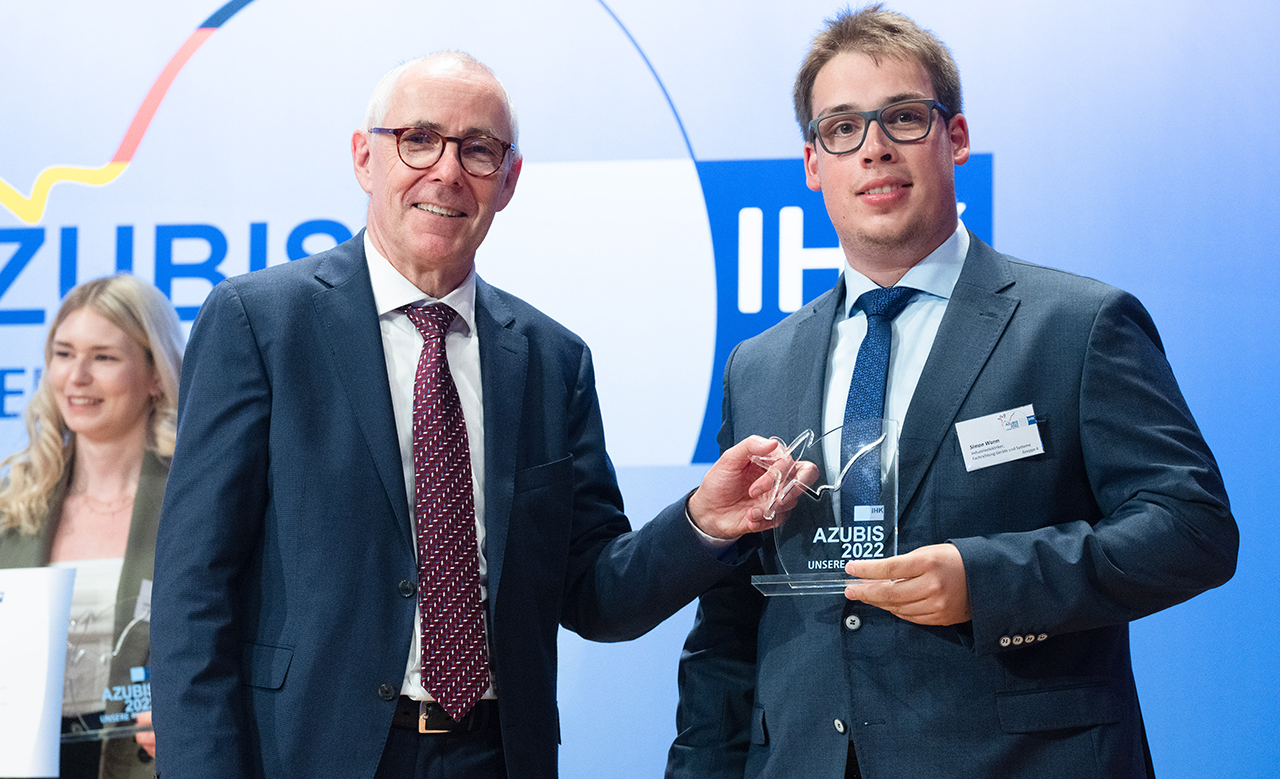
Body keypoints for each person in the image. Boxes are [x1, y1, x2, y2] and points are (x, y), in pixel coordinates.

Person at [149, 51, 792, 779]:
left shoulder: (553, 360)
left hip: (496, 755)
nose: (447, 171)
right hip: (305, 753)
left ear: (509, 181)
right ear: (365, 157)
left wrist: (702, 521)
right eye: (418, 139)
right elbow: (193, 592)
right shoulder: (260, 323)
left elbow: (595, 592)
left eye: (478, 150)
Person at [665, 4, 1238, 779]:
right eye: (842, 128)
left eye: (902, 117)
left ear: (955, 138)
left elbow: (1192, 529)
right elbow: (730, 623)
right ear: (812, 163)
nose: (873, 149)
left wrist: (987, 580)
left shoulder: (1076, 325)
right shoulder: (759, 364)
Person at [0, 274, 184, 779]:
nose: (76, 376)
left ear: (154, 373)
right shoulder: (10, 511)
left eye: (103, 357)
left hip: (151, 764)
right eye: (63, 354)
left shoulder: (200, 509)